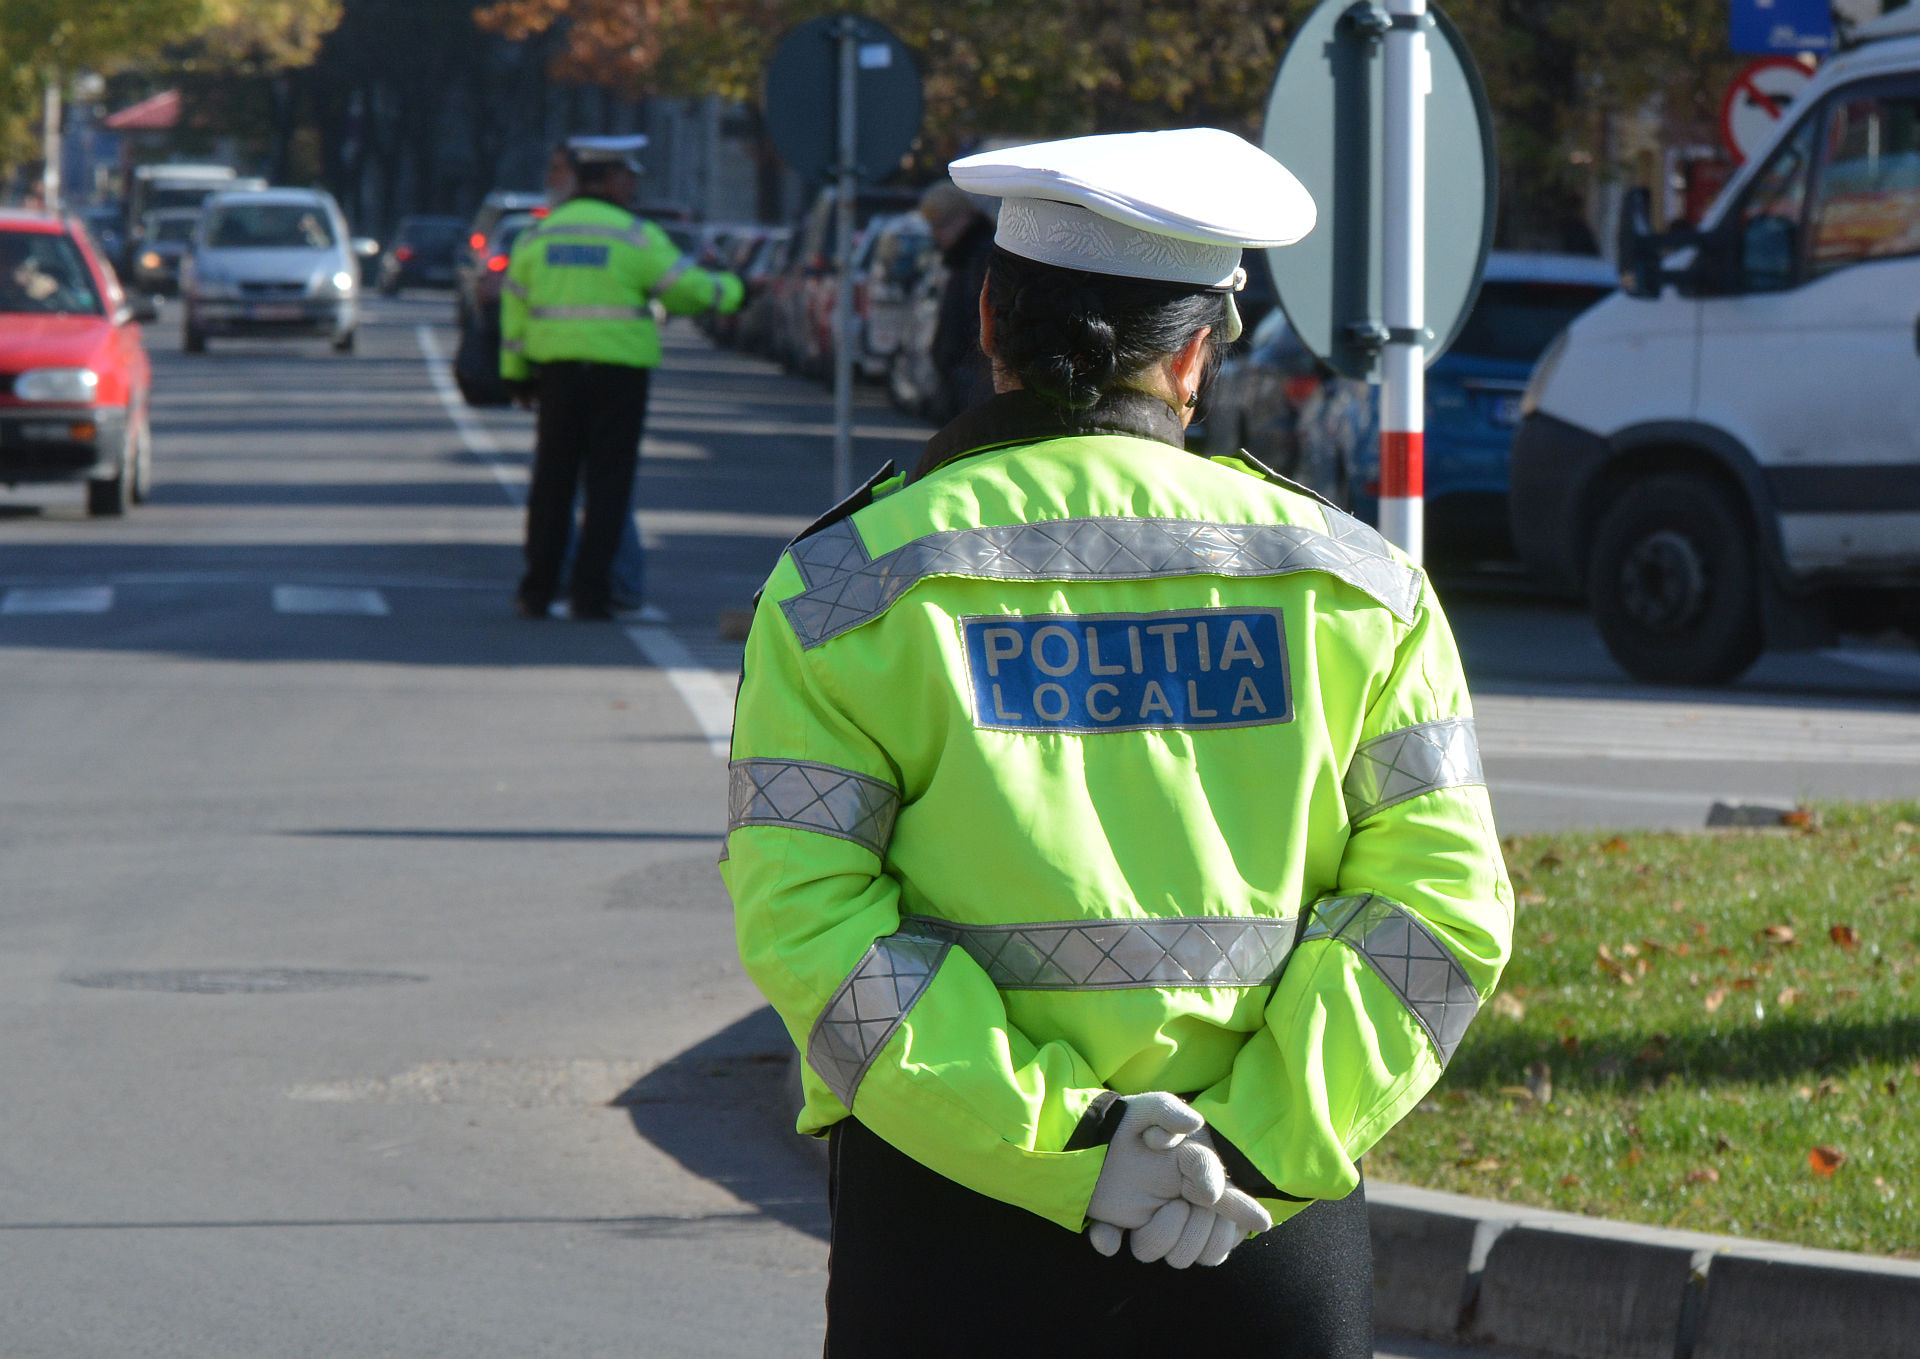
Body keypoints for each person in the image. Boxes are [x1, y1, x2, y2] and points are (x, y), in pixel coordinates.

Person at [721, 128, 1513, 1358]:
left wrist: (1075, 1149)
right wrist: (1248, 1144)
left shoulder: (844, 588)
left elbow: (806, 920)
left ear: (992, 321)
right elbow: (1441, 914)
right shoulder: (1359, 588)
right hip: (1255, 1228)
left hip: (951, 1223)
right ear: (1196, 354)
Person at [500, 134, 743, 620]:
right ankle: (591, 596)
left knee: (552, 484)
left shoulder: (540, 236)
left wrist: (517, 375)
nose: (633, 185)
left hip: (558, 376)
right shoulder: (633, 235)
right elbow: (686, 291)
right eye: (629, 175)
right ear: (608, 179)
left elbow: (515, 304)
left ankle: (537, 590)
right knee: (608, 488)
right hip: (619, 378)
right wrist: (734, 290)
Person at [918, 178, 995, 421]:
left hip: (973, 383)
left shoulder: (979, 257)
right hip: (962, 381)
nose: (935, 234)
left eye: (940, 225)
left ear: (963, 218)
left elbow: (977, 321)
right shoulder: (963, 258)